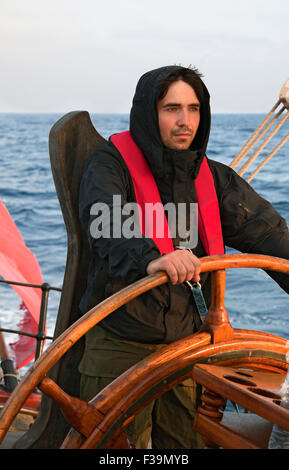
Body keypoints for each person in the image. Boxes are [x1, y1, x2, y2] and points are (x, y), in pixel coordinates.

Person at [78, 65, 289, 448]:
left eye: (193, 109)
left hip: (187, 347)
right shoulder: (109, 165)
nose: (184, 120)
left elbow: (270, 235)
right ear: (148, 113)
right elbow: (105, 223)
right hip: (121, 345)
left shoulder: (213, 178)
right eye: (171, 108)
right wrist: (150, 258)